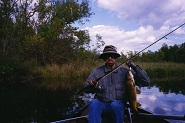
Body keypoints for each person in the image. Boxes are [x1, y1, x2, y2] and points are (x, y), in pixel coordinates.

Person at [85, 45, 150, 123]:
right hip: (101, 102)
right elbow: (86, 89)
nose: (110, 58)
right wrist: (91, 85)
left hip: (118, 103)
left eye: (112, 56)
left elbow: (146, 82)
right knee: (93, 103)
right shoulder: (96, 71)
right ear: (104, 58)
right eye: (107, 56)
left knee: (115, 105)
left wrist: (135, 67)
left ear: (115, 57)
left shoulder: (126, 71)